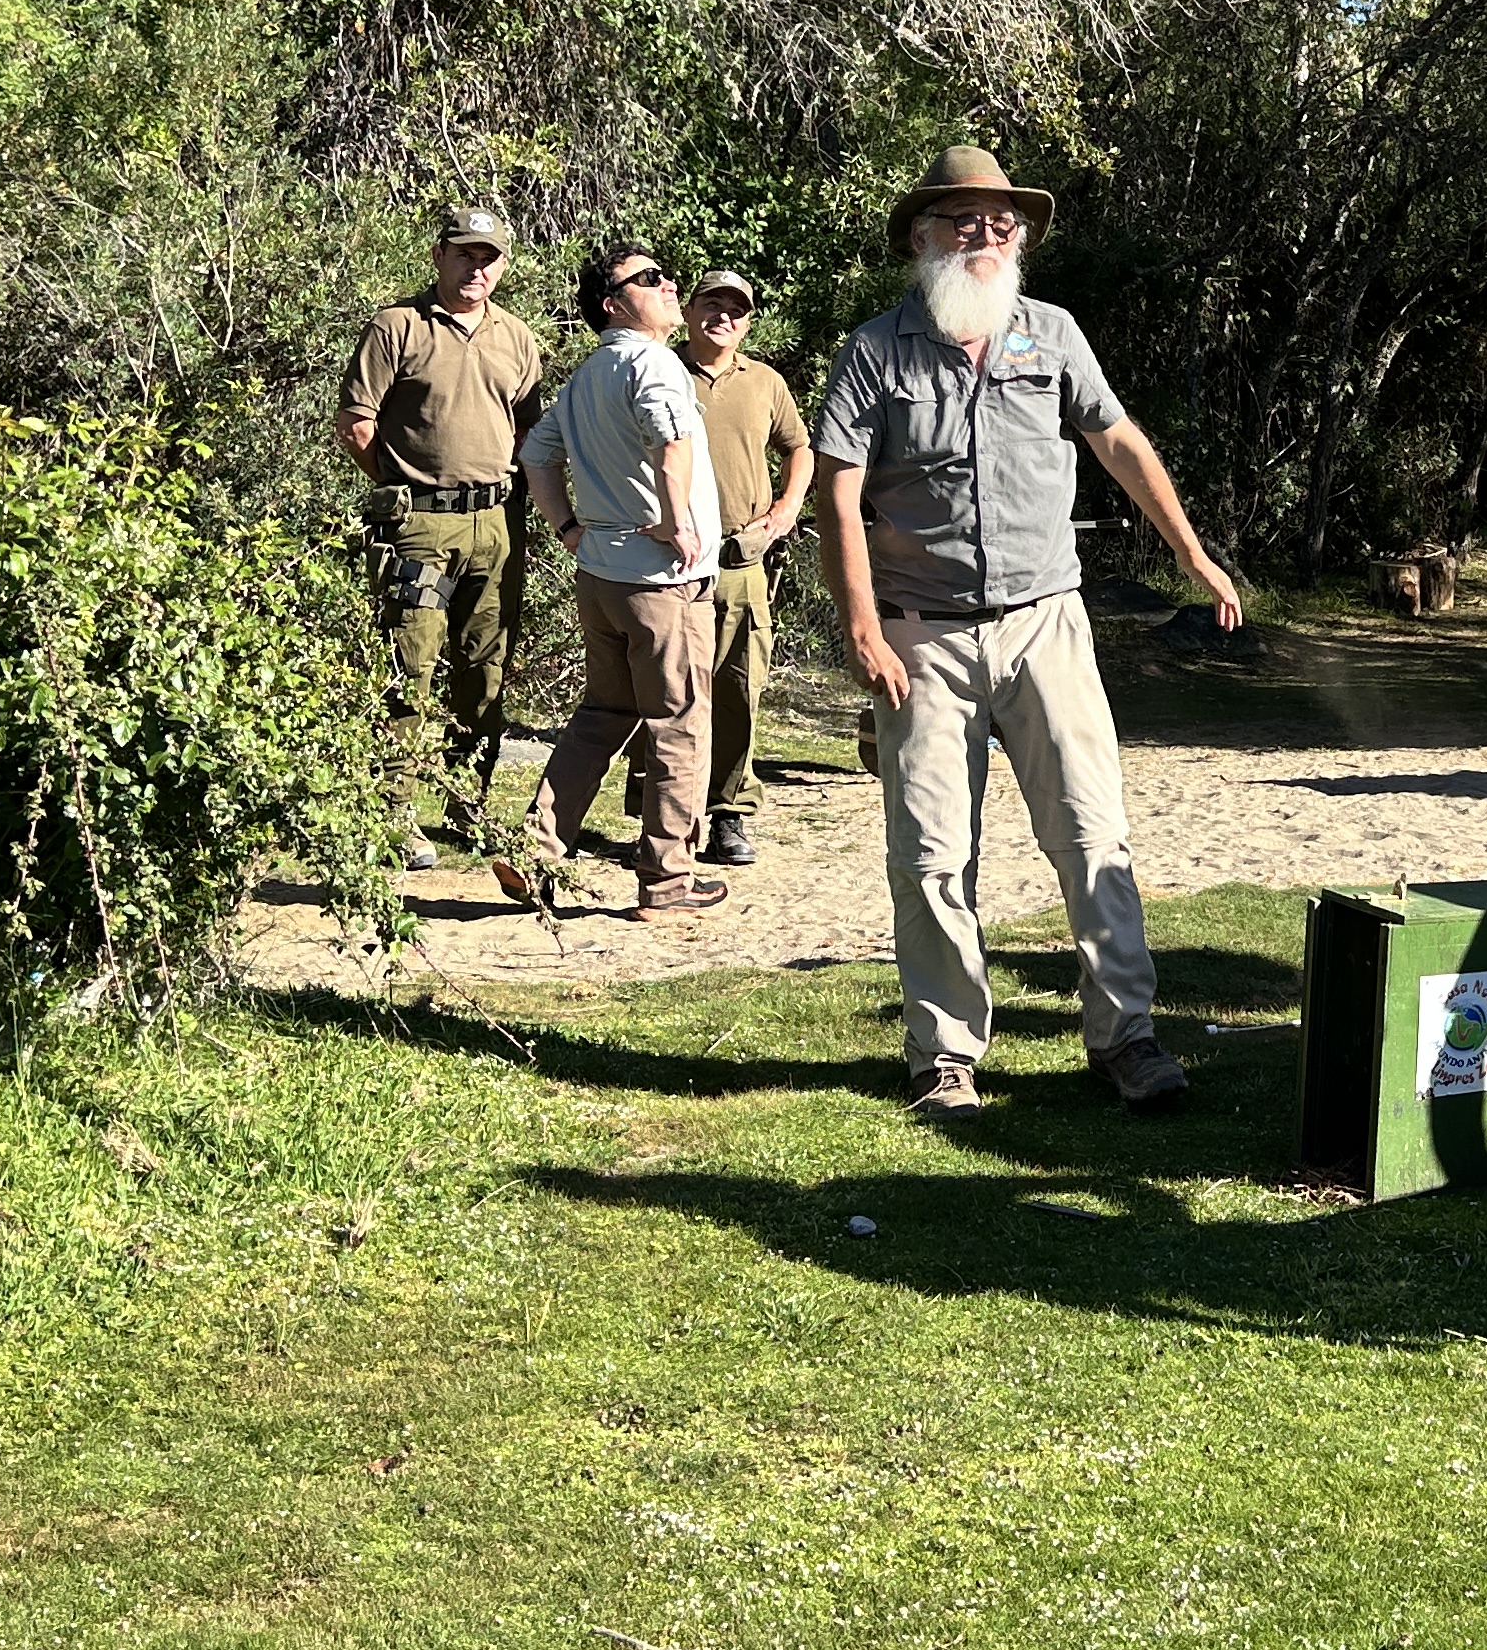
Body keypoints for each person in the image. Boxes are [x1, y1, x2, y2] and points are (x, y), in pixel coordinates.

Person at [814, 145, 1243, 1122]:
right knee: (929, 856)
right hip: (921, 639)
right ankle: (945, 1057)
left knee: (1094, 834)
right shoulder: (877, 352)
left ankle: (1125, 1039)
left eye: (1001, 221)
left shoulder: (1051, 335)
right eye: (964, 220)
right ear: (923, 236)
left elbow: (1120, 441)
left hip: (1048, 624)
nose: (985, 236)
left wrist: (1193, 555)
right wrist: (863, 630)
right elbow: (838, 496)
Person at [518, 243, 731, 917]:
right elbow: (672, 448)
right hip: (664, 581)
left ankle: (534, 850)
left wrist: (567, 530)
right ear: (613, 304)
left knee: (604, 714)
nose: (668, 284)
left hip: (602, 575)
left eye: (664, 274)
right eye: (647, 279)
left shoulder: (587, 376)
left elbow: (535, 456)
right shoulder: (655, 365)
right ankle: (667, 881)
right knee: (678, 722)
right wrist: (675, 523)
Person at [339, 208, 547, 874]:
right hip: (418, 528)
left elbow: (529, 435)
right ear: (439, 256)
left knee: (485, 668)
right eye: (464, 254)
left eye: (488, 257)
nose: (476, 268)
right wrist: (402, 488)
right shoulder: (397, 326)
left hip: (495, 524)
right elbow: (356, 423)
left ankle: (468, 801)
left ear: (503, 265)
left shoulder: (517, 338)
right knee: (412, 662)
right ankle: (394, 810)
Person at [618, 270, 811, 870]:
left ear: (749, 320)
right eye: (711, 304)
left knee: (737, 687)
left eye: (736, 309)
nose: (723, 317)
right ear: (690, 308)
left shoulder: (766, 383)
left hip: (740, 558)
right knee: (664, 689)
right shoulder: (657, 369)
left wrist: (780, 515)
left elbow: (799, 448)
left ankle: (729, 814)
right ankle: (660, 820)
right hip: (669, 560)